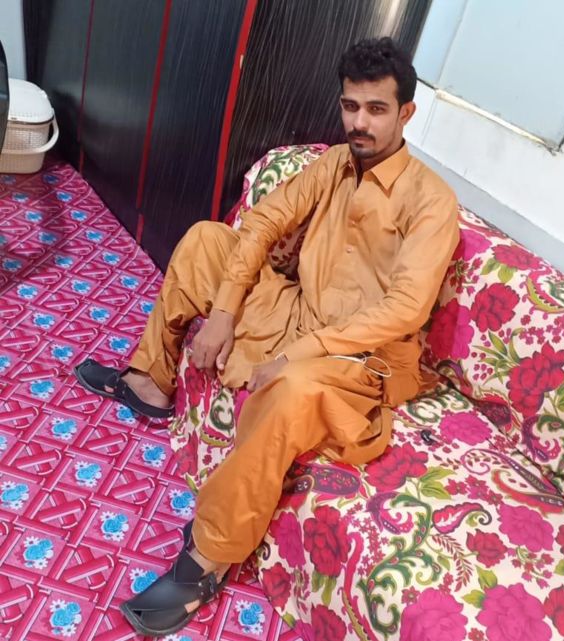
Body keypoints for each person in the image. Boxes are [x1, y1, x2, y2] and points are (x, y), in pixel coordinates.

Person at [74, 37, 460, 637]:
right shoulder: (334, 163)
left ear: (406, 113)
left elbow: (405, 309)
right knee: (207, 240)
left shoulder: (431, 201)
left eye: (376, 109)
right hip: (297, 312)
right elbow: (262, 221)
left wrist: (296, 354)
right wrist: (225, 311)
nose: (359, 122)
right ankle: (151, 381)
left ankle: (209, 557)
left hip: (363, 359)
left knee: (293, 387)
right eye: (350, 106)